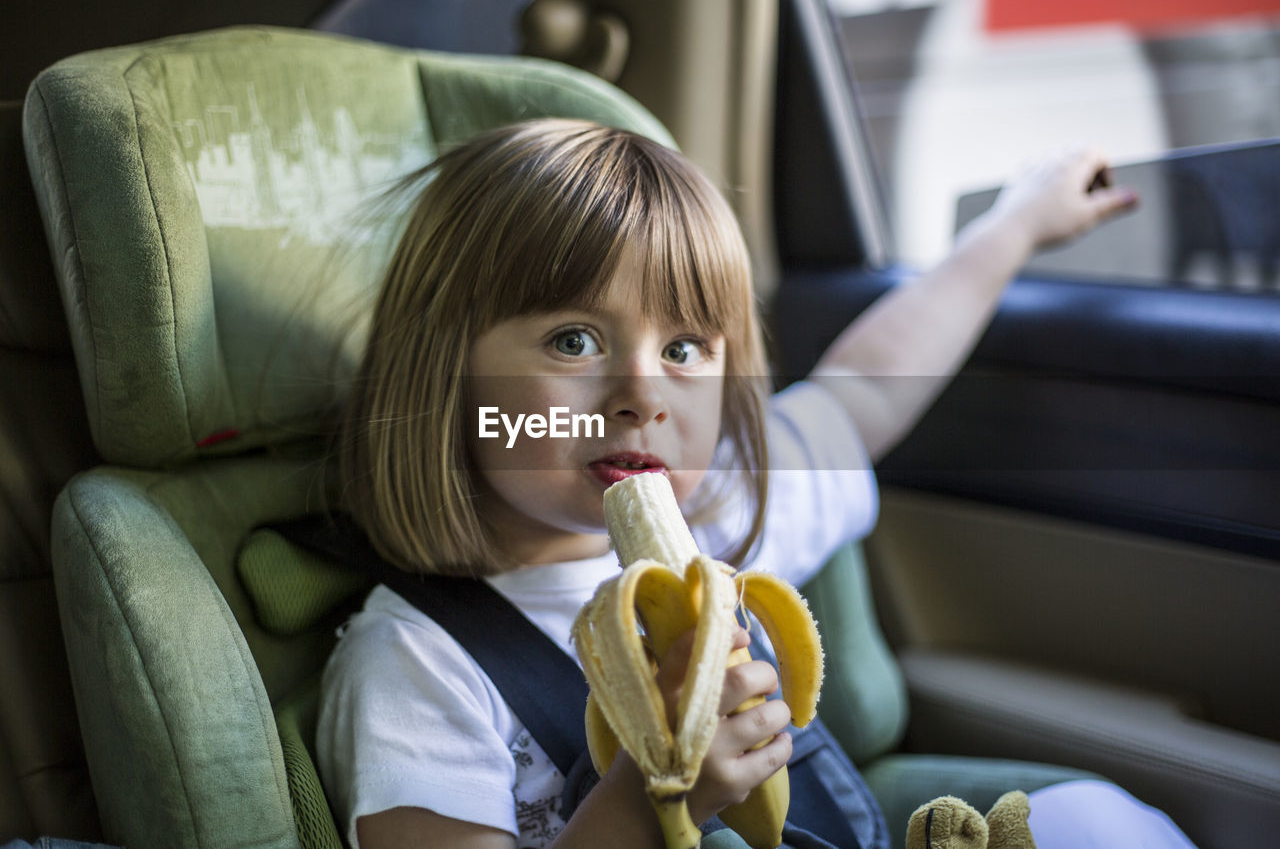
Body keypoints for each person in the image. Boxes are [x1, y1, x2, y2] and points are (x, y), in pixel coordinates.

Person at [316, 118, 1193, 849]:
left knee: (1105, 822)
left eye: (684, 349)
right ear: (447, 374)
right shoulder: (416, 665)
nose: (641, 395)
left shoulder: (724, 510)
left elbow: (867, 385)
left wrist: (1015, 228)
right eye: (574, 341)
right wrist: (648, 798)